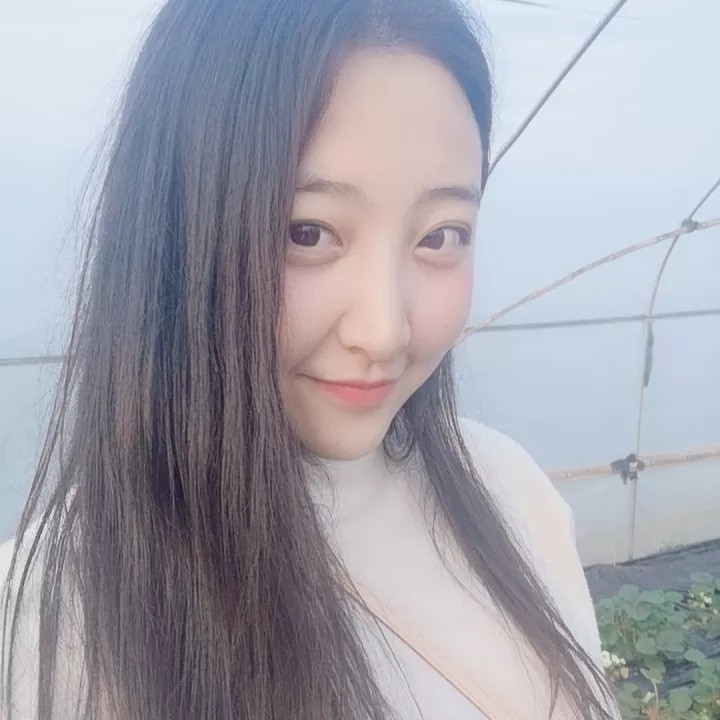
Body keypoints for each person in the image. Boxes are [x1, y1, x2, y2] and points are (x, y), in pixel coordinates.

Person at [0, 0, 620, 718]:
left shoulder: (510, 489)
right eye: (307, 231)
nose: (383, 332)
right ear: (173, 235)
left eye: (441, 236)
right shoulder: (51, 616)